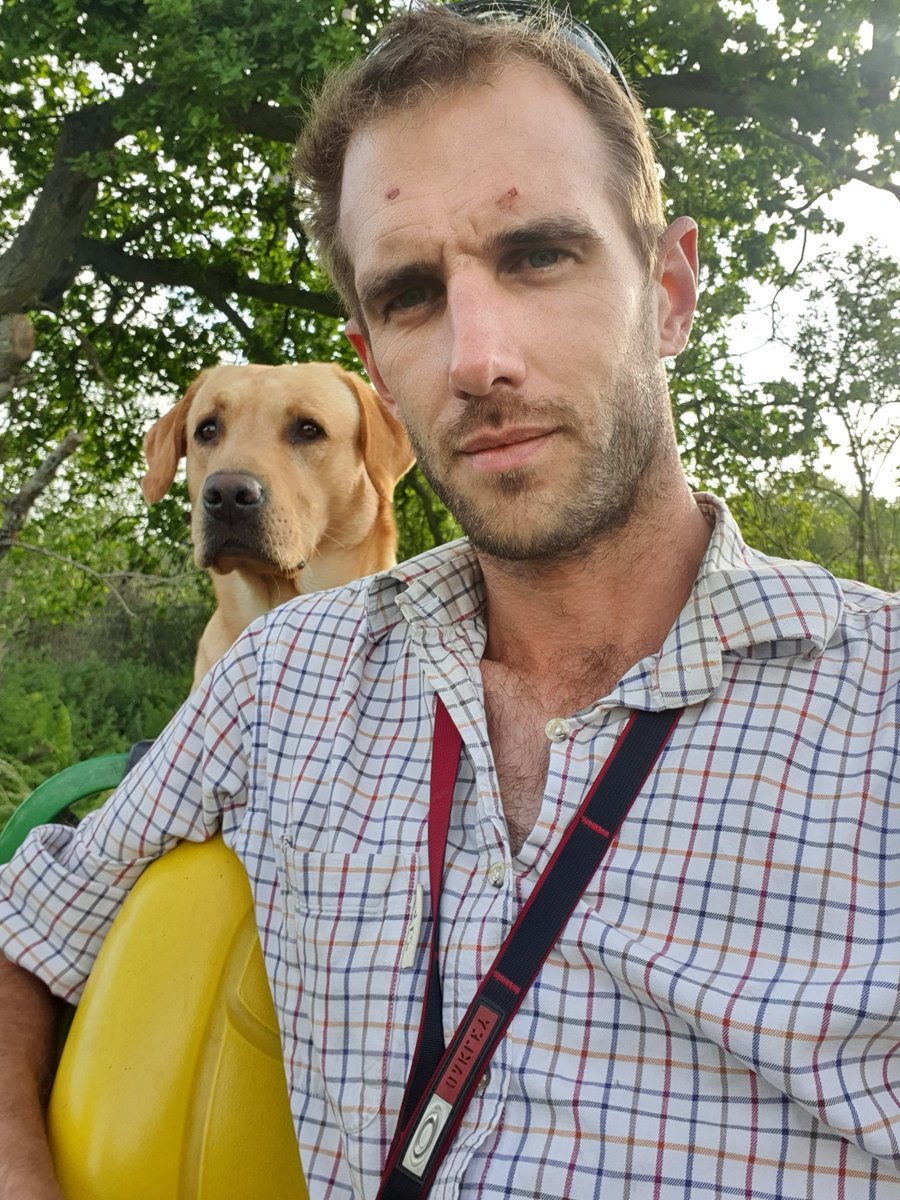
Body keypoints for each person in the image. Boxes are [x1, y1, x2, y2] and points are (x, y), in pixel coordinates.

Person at [2, 3, 899, 1197]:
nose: (478, 357)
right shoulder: (279, 683)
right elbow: (23, 932)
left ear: (672, 289)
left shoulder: (877, 704)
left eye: (538, 256)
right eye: (413, 293)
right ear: (377, 364)